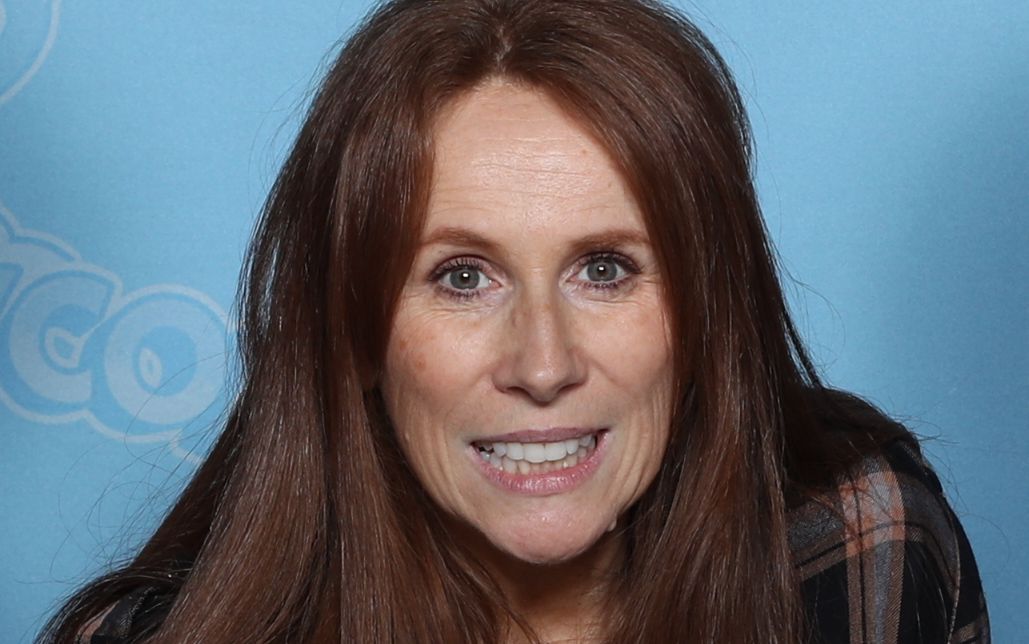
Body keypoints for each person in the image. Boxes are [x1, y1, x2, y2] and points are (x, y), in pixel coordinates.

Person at [40, 0, 989, 642]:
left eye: (605, 269)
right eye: (461, 277)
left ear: (705, 316)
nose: (542, 364)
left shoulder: (856, 549)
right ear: (355, 334)